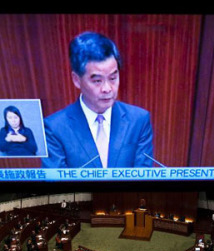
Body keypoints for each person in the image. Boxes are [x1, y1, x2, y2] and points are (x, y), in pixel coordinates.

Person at [42, 31, 154, 168]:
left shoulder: (138, 120)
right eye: (97, 81)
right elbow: (58, 187)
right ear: (76, 80)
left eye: (113, 78)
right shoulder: (54, 128)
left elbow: (142, 179)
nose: (107, 88)